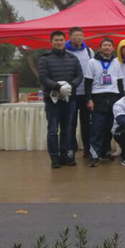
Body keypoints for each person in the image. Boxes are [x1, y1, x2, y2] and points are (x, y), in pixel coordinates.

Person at [39, 30, 83, 169]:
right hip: (52, 101)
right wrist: (58, 87)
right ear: (51, 42)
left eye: (61, 40)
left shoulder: (72, 58)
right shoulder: (45, 59)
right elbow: (43, 77)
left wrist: (71, 86)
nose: (59, 42)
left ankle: (65, 155)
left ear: (65, 41)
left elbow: (79, 75)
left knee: (67, 129)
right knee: (53, 130)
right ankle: (54, 157)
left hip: (69, 100)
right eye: (56, 40)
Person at [85, 37, 124, 167]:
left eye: (109, 45)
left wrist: (122, 100)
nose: (107, 47)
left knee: (109, 127)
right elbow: (88, 82)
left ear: (113, 48)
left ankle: (105, 152)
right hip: (98, 97)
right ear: (100, 48)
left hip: (113, 97)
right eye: (104, 45)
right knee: (97, 128)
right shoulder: (92, 62)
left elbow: (119, 82)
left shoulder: (116, 62)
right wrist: (89, 99)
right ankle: (94, 155)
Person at [65, 26, 93, 158]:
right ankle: (71, 149)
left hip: (86, 94)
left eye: (80, 35)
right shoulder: (64, 51)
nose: (78, 38)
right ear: (70, 37)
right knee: (71, 123)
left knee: (87, 124)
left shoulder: (89, 51)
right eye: (76, 36)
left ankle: (88, 149)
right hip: (70, 93)